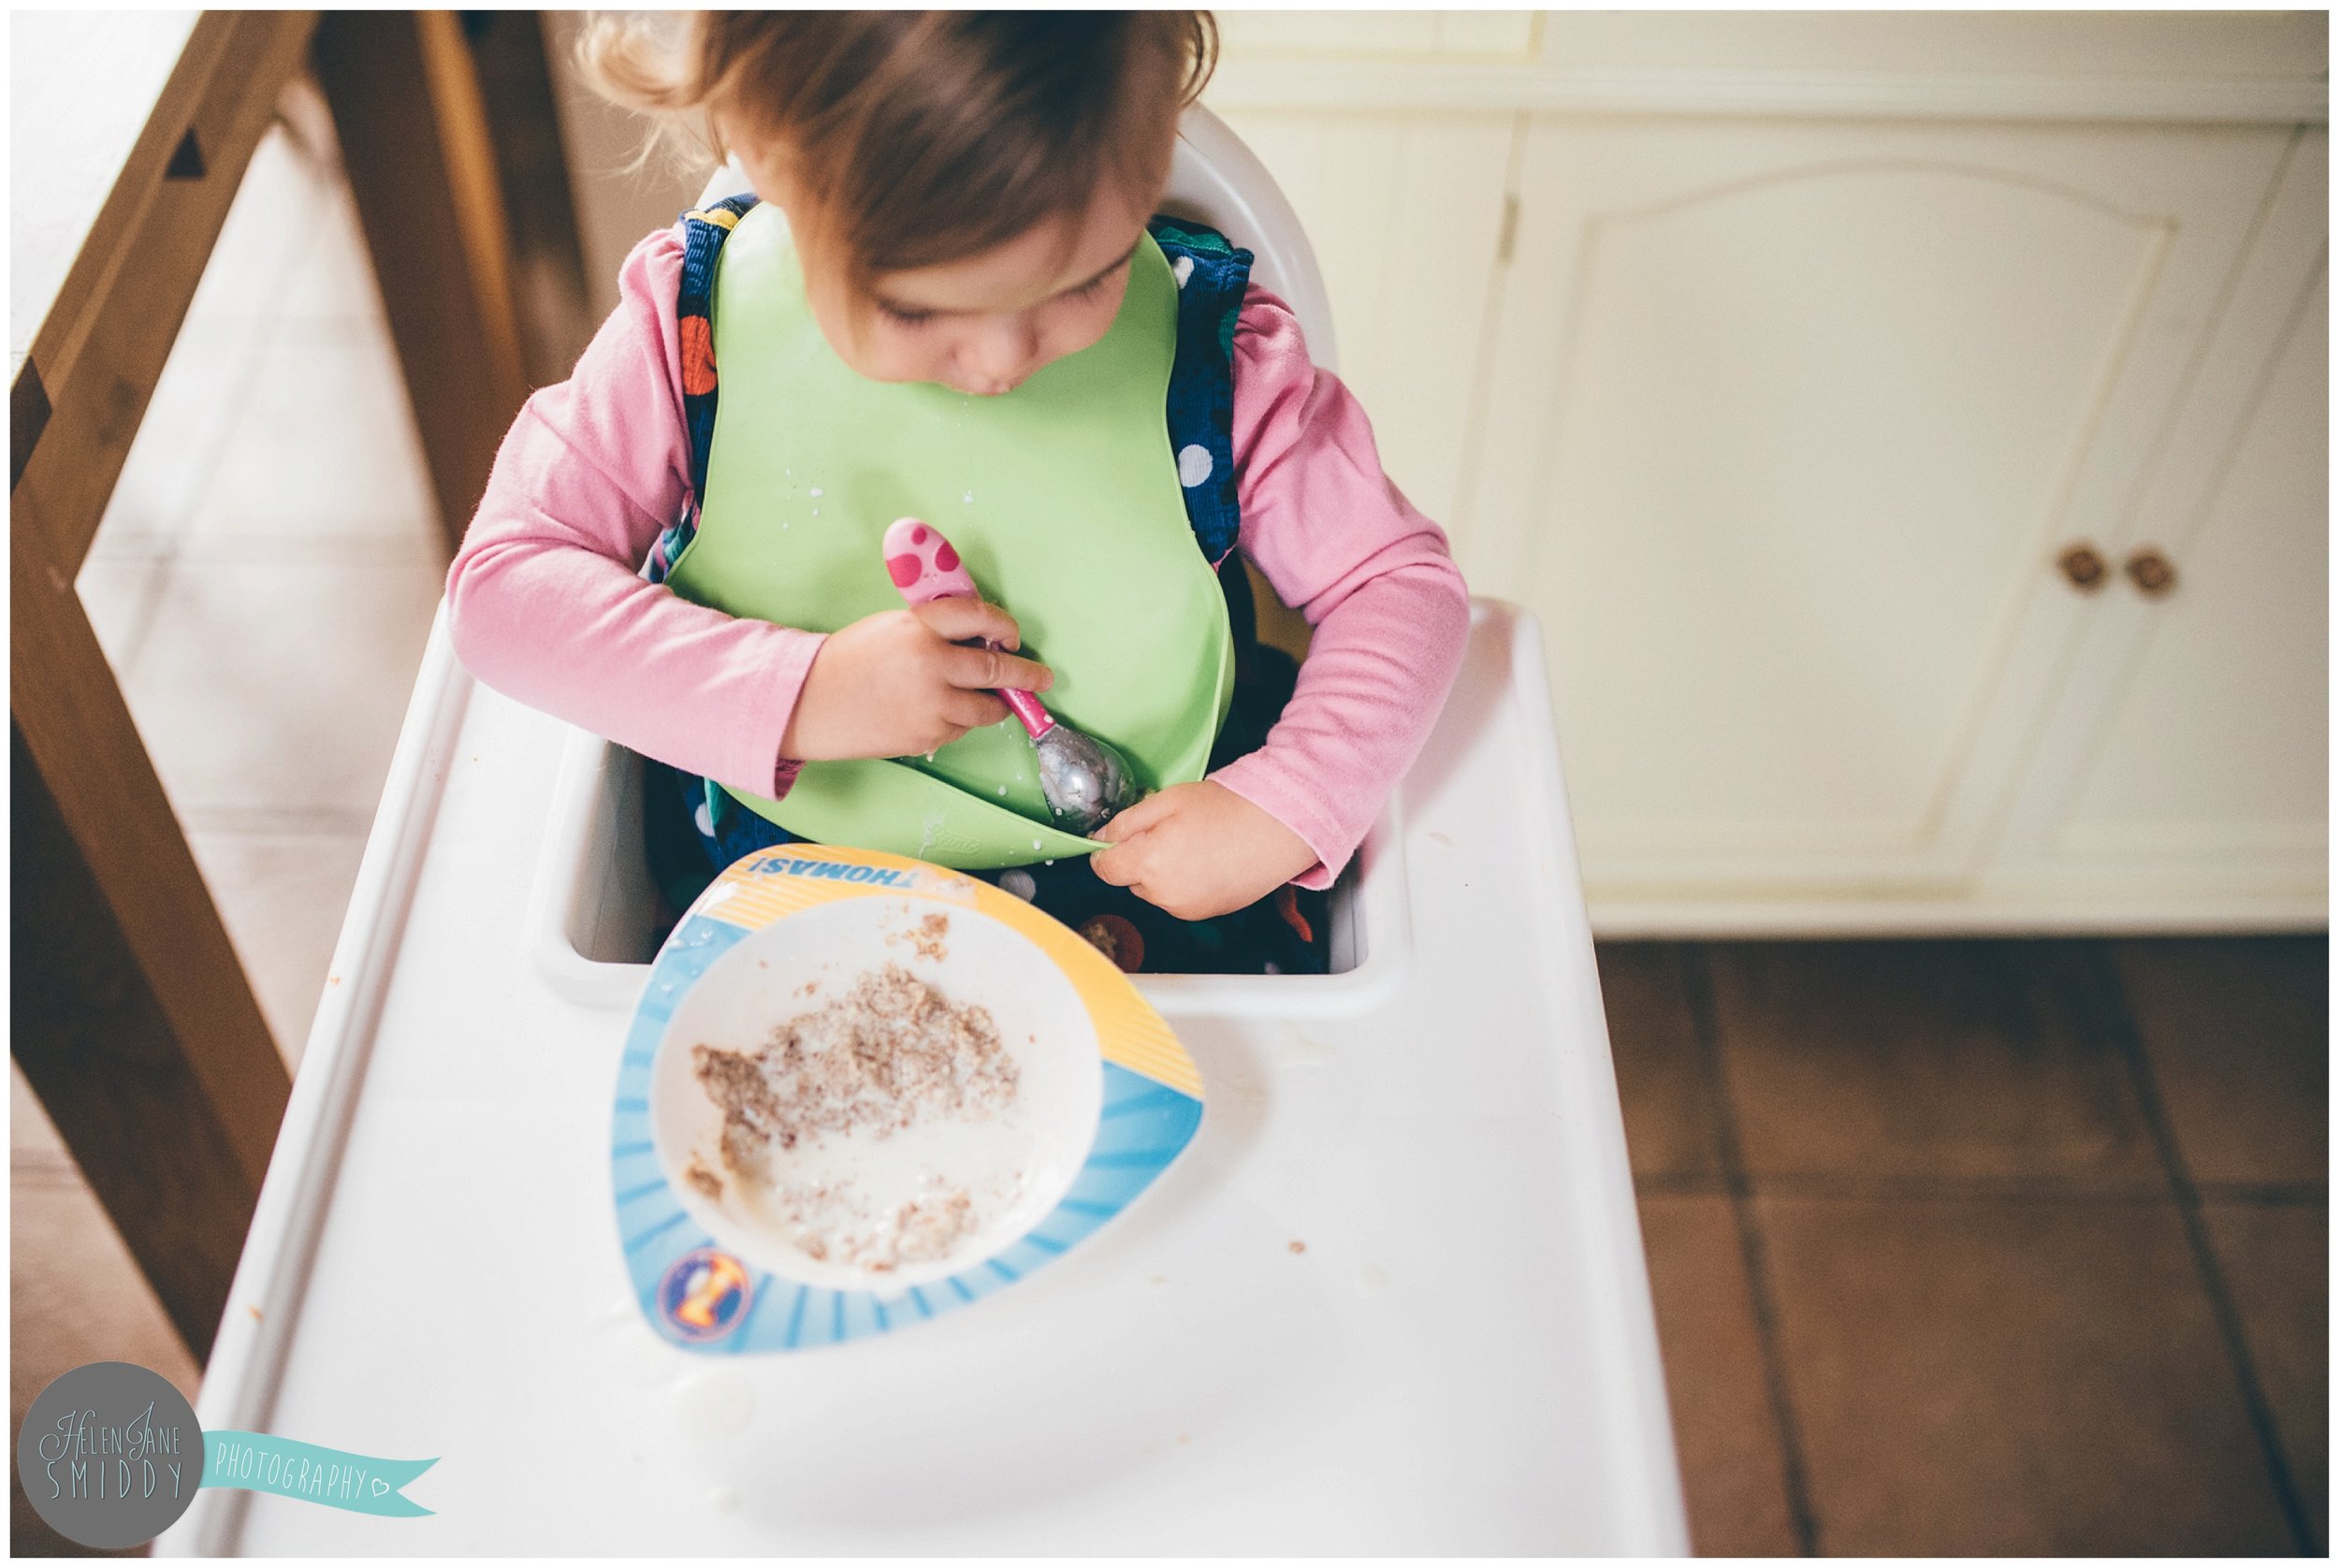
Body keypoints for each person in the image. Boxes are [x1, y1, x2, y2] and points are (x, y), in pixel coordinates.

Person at [444, 12, 1469, 974]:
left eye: (1085, 278)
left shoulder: (1224, 365)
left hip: (1144, 895)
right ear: (775, 172)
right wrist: (800, 692)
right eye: (918, 306)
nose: (1002, 358)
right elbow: (504, 591)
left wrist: (1284, 806)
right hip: (791, 915)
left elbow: (1400, 585)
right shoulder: (688, 338)